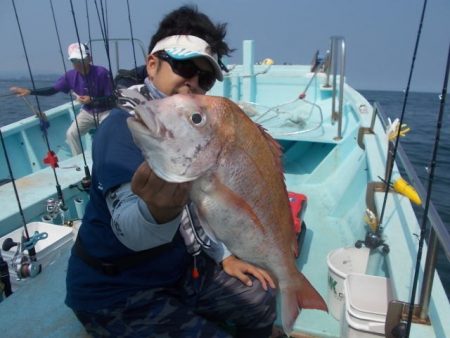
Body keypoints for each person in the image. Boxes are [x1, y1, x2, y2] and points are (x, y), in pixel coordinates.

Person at [65, 5, 277, 338]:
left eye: (203, 77)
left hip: (179, 270)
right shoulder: (124, 126)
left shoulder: (192, 128)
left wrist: (222, 255)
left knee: (261, 297)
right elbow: (129, 227)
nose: (192, 82)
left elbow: (203, 204)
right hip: (117, 290)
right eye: (183, 66)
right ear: (153, 64)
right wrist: (157, 213)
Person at [10, 43, 114, 156]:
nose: (78, 64)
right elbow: (52, 90)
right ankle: (80, 161)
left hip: (105, 111)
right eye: (74, 61)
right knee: (71, 134)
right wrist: (30, 92)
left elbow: (111, 98)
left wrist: (93, 100)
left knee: (108, 134)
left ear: (89, 58)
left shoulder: (102, 72)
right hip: (87, 112)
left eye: (81, 59)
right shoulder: (69, 76)